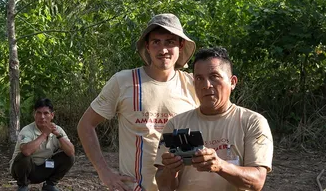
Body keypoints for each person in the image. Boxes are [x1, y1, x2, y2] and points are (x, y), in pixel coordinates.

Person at [77, 13, 200, 191]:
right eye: (156, 42)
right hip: (135, 187)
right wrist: (104, 172)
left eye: (169, 42)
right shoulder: (123, 81)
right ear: (147, 47)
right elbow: (85, 125)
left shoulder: (193, 84)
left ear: (181, 46)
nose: (163, 49)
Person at [154, 47, 273, 191]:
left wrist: (220, 166)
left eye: (214, 76)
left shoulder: (252, 122)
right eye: (199, 78)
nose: (206, 85)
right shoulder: (176, 124)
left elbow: (257, 182)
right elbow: (164, 186)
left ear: (233, 82)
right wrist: (170, 170)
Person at [10, 98, 75, 191]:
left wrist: (59, 135)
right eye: (38, 113)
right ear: (34, 114)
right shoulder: (27, 130)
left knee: (69, 157)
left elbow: (71, 152)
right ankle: (23, 185)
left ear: (52, 115)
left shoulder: (57, 129)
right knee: (24, 157)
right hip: (25, 169)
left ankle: (50, 185)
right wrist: (45, 134)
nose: (42, 117)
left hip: (45, 167)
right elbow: (26, 151)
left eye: (46, 113)